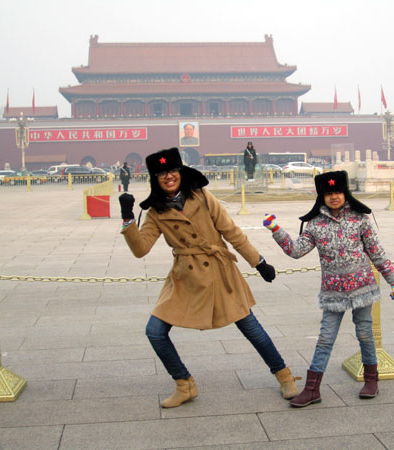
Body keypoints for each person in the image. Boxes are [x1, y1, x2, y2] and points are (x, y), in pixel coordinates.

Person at [118, 147, 298, 408]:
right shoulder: (156, 212)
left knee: (251, 328)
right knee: (154, 331)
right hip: (184, 277)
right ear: (154, 179)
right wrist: (127, 219)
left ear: (181, 172)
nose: (169, 177)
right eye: (161, 173)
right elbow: (140, 249)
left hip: (219, 270)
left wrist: (259, 262)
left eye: (172, 171)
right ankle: (184, 384)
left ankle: (284, 376)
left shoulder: (201, 196)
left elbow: (231, 232)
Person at [262, 170, 394, 407]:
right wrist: (276, 230)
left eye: (338, 191)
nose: (334, 197)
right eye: (329, 193)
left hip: (362, 289)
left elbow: (376, 252)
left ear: (345, 192)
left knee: (365, 334)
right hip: (333, 292)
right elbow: (296, 251)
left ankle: (372, 380)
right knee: (326, 338)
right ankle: (312, 389)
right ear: (321, 196)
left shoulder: (360, 219)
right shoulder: (315, 224)